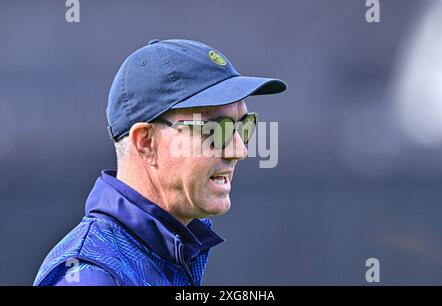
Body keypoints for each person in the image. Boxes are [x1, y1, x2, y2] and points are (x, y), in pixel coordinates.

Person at [33, 39, 287, 286]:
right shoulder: (92, 276)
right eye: (216, 130)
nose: (239, 150)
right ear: (146, 142)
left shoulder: (169, 251)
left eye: (243, 127)